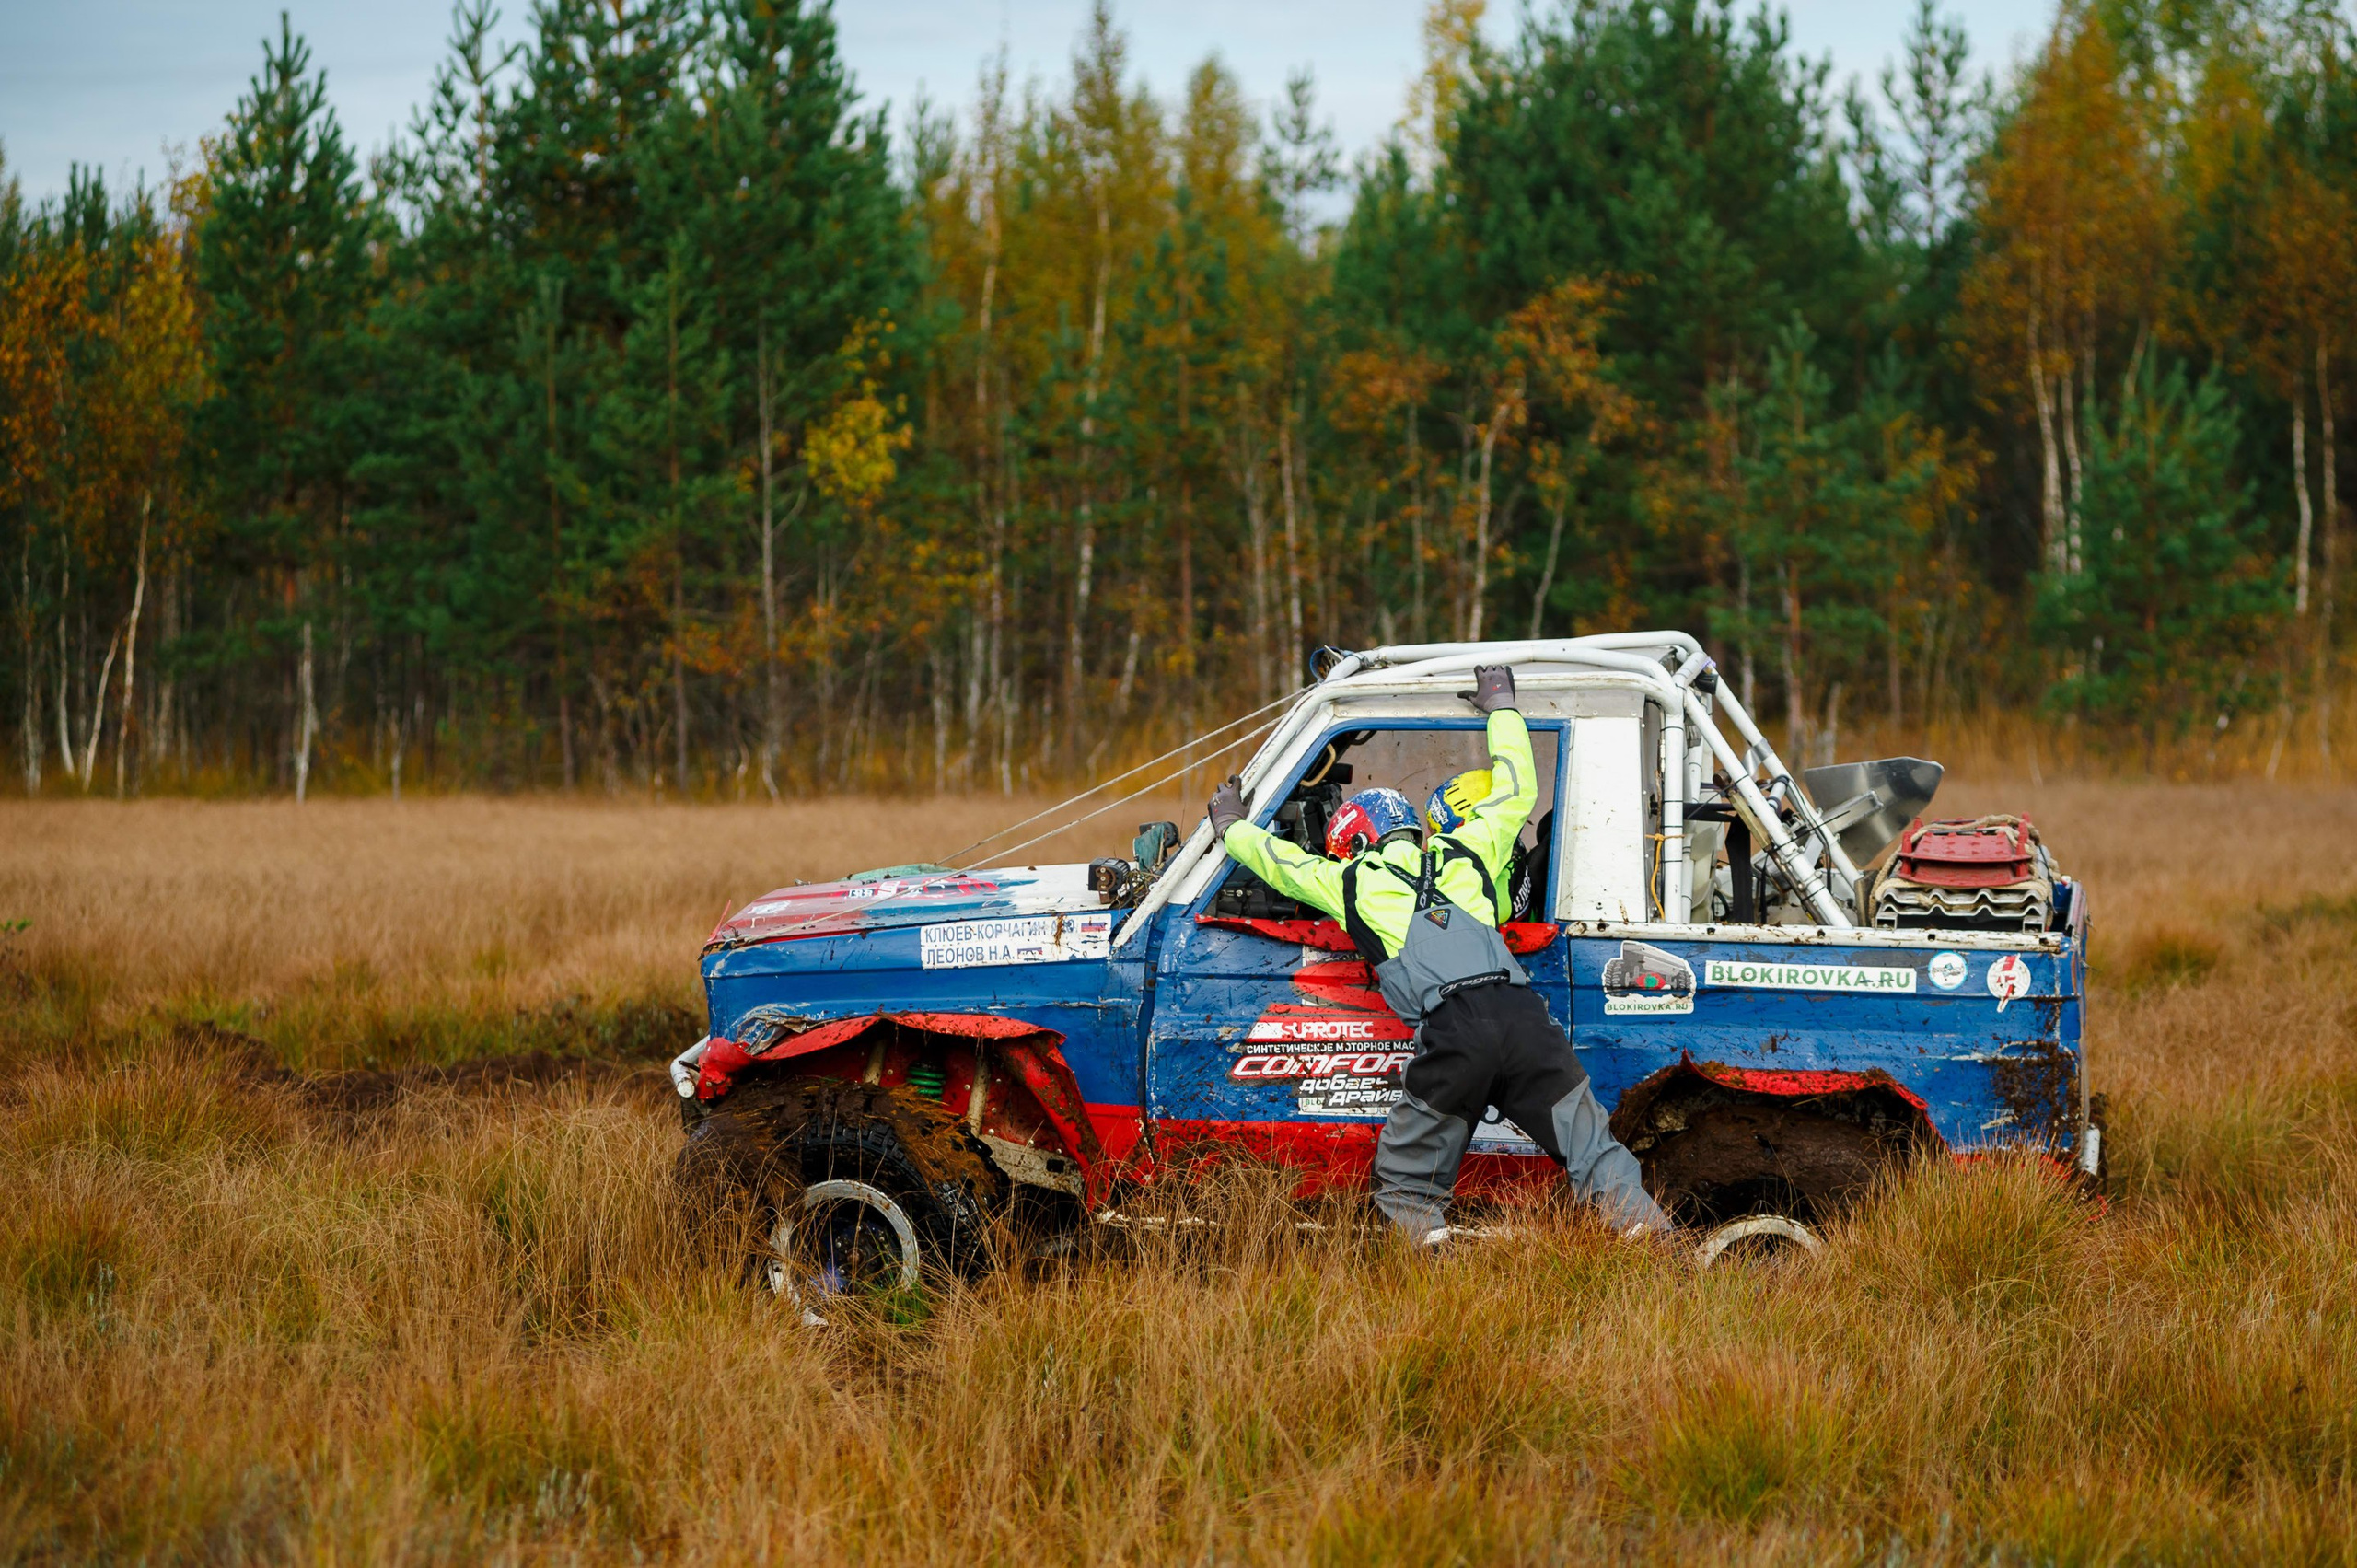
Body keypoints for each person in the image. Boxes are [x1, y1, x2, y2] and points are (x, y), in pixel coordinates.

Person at [1207, 664, 1671, 1245]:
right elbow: (1515, 789)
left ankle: (1432, 1269)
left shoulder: (1351, 882)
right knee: (1594, 1152)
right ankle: (1659, 1252)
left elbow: (1283, 865)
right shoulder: (1465, 849)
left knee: (1408, 1184)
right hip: (1525, 1020)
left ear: (1354, 842)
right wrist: (1501, 705)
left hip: (1455, 1035)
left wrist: (1230, 826)